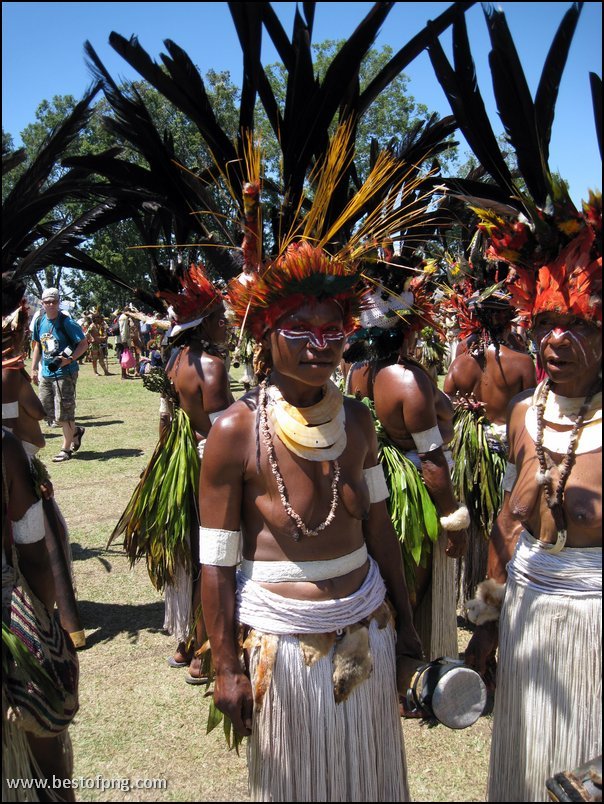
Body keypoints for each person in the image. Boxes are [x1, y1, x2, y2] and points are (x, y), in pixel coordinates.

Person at [201, 241, 423, 801]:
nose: (320, 345)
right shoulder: (235, 432)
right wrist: (226, 665)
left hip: (367, 629)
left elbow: (381, 532)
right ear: (264, 334)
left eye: (334, 331)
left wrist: (411, 630)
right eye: (300, 329)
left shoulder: (359, 422)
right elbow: (216, 561)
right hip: (284, 647)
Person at [463, 190, 602, 801]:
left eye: (576, 326)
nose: (555, 342)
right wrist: (486, 627)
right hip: (527, 617)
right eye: (547, 324)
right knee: (526, 768)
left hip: (594, 622)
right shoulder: (525, 414)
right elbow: (510, 518)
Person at [109, 264, 234, 685]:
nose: (227, 323)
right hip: (206, 468)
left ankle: (185, 643)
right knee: (211, 557)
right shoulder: (211, 368)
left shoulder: (176, 358)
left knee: (190, 554)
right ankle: (202, 651)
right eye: (220, 318)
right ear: (202, 324)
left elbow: (168, 417)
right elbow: (224, 433)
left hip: (178, 464)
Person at [344, 285, 467, 668]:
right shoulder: (408, 381)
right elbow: (431, 460)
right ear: (407, 329)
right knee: (413, 583)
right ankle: (403, 669)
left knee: (389, 577)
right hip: (412, 490)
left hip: (378, 485)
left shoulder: (356, 372)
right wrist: (452, 517)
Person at [443, 289, 537, 611]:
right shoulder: (523, 362)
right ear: (509, 320)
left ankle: (470, 589)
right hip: (504, 452)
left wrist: (466, 412)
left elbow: (444, 410)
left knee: (474, 512)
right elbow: (531, 416)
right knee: (499, 516)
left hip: (469, 453)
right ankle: (495, 584)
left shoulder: (459, 365)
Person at [3, 295, 86, 650]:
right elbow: (36, 412)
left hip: (17, 459)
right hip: (19, 464)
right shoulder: (10, 375)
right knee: (45, 543)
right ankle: (60, 623)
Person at [2, 426, 77, 802]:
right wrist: (42, 625)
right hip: (10, 616)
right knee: (42, 751)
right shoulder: (5, 448)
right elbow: (34, 555)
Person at [30, 288, 88, 463]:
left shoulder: (67, 322)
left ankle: (66, 449)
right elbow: (38, 346)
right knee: (47, 412)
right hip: (46, 373)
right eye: (47, 302)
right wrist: (33, 368)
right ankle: (76, 431)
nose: (50, 305)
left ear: (58, 302)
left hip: (65, 373)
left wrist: (69, 359)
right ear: (42, 303)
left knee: (65, 412)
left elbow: (83, 344)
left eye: (53, 301)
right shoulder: (40, 321)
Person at [86, 311, 111, 376]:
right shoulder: (92, 326)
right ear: (95, 318)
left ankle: (106, 371)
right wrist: (91, 339)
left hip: (99, 344)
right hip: (94, 345)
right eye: (98, 318)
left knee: (101, 358)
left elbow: (102, 333)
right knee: (94, 359)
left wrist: (103, 337)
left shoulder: (99, 325)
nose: (99, 319)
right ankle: (95, 372)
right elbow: (87, 334)